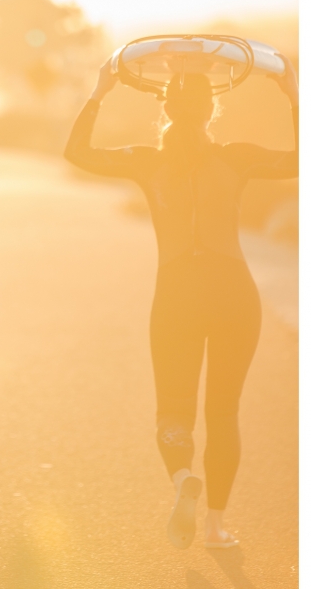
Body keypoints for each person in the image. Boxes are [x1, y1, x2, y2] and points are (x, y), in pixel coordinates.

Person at [64, 55, 298, 549]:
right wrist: (293, 95)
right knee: (224, 411)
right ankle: (215, 526)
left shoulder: (146, 160)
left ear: (166, 108)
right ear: (210, 111)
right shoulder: (237, 157)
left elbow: (77, 152)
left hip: (177, 293)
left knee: (173, 409)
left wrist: (101, 90)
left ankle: (181, 480)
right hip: (235, 292)